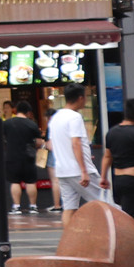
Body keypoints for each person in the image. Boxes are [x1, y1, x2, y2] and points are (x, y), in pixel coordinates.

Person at [47, 84, 99, 227]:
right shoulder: (75, 117)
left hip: (62, 171)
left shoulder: (55, 118)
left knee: (69, 208)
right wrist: (84, 170)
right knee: (105, 203)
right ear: (81, 98)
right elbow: (75, 143)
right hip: (79, 170)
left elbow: (50, 144)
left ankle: (68, 243)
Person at [2, 101, 46, 216]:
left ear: (15, 111)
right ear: (28, 112)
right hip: (29, 157)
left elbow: (2, 138)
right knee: (30, 182)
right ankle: (33, 206)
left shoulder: (7, 123)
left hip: (12, 156)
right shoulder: (32, 124)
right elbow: (39, 142)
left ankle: (16, 207)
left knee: (15, 182)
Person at [101, 97, 134, 221]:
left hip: (118, 180)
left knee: (129, 215)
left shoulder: (112, 132)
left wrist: (103, 177)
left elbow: (107, 156)